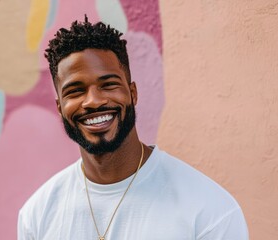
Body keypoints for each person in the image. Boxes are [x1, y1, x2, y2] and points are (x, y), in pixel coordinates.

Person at [18, 16, 249, 240]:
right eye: (75, 91)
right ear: (60, 107)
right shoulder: (37, 216)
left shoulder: (209, 211)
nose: (93, 101)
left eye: (108, 84)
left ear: (133, 93)